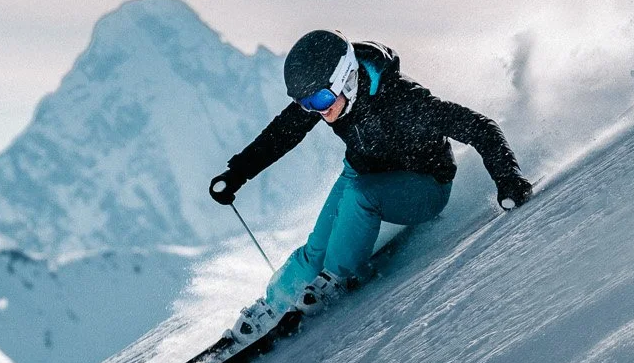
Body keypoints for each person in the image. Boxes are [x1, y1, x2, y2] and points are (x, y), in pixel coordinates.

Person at [208, 29, 531, 345]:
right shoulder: (326, 98)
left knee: (362, 198)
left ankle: (336, 280)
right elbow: (283, 133)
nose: (318, 110)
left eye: (321, 99)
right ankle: (272, 308)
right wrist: (237, 173)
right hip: (362, 173)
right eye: (306, 103)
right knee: (316, 247)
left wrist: (508, 180)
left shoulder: (403, 103)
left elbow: (480, 128)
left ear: (346, 77)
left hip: (423, 187)